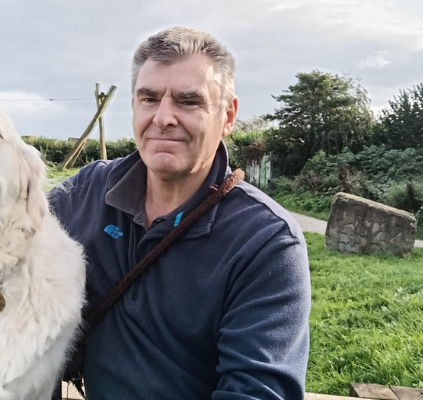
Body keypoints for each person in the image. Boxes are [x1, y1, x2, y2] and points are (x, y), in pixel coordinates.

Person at [48, 26, 311, 400]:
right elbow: (5, 234)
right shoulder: (89, 190)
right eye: (149, 98)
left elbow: (256, 392)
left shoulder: (266, 242)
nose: (163, 118)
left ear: (228, 115)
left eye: (188, 101)